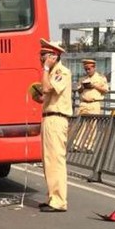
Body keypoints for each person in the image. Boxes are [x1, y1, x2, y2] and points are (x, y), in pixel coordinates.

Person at [36, 38, 72, 213]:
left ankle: (59, 201)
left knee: (56, 160)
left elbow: (48, 88)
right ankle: (52, 196)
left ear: (53, 56)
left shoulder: (61, 72)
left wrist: (46, 68)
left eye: (44, 55)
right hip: (48, 117)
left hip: (57, 119)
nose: (41, 58)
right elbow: (45, 93)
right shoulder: (51, 72)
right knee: (48, 160)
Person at [73, 59, 109, 152]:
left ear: (94, 67)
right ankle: (77, 144)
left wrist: (94, 86)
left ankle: (89, 146)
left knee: (92, 125)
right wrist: (82, 87)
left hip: (94, 103)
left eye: (89, 69)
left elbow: (105, 90)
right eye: (86, 69)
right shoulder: (83, 79)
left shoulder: (101, 78)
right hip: (83, 103)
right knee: (81, 124)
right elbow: (79, 91)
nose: (87, 71)